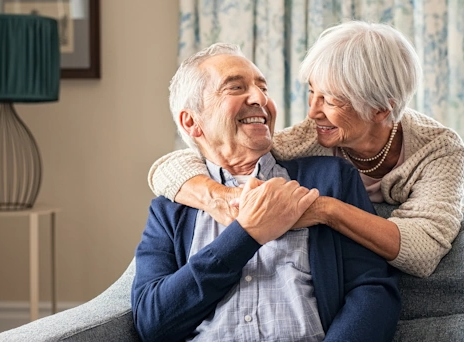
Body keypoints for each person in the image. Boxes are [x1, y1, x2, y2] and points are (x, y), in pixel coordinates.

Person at [148, 21, 464, 278]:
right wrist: (220, 197)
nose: (313, 112)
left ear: (380, 110)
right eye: (312, 92)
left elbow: (423, 251)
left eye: (330, 100)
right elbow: (173, 166)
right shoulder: (309, 137)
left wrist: (325, 210)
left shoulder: (438, 149)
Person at [131, 43, 399, 342]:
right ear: (191, 122)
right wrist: (246, 234)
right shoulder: (170, 210)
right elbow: (153, 323)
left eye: (263, 88)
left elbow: (372, 290)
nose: (260, 98)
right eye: (235, 87)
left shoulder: (329, 179)